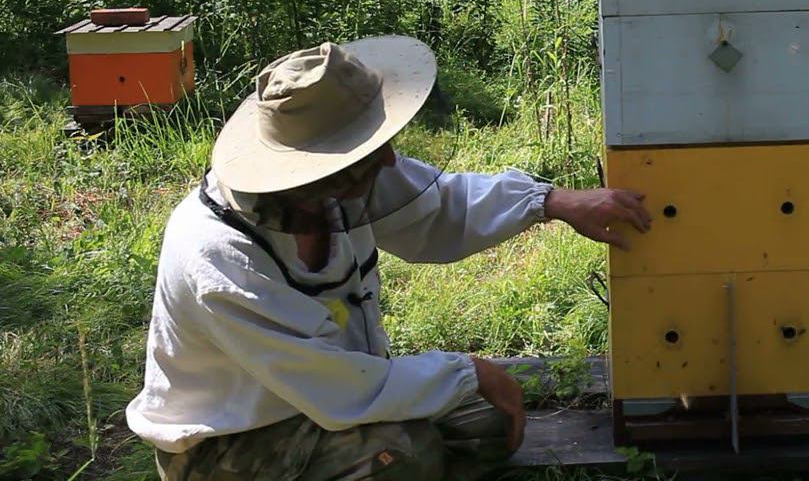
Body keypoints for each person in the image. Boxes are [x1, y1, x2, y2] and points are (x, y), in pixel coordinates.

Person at [125, 36, 652, 480]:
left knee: (484, 423)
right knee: (400, 457)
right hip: (229, 442)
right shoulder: (219, 257)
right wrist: (470, 370)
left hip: (334, 396)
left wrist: (551, 202)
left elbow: (441, 206)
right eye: (366, 150)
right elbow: (336, 387)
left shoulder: (335, 183)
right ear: (311, 169)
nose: (388, 159)